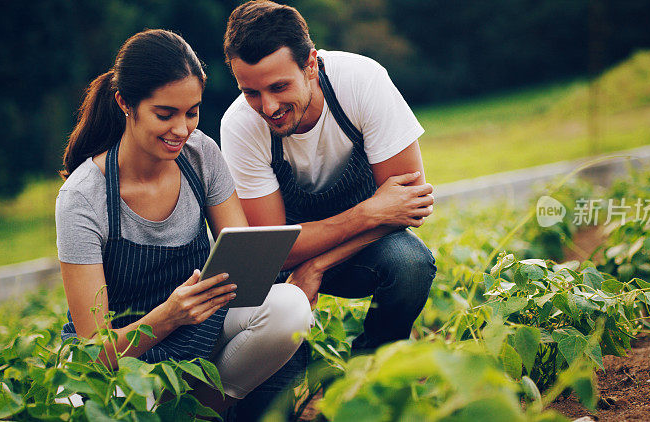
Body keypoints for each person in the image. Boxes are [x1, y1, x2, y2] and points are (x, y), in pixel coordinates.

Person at [55, 29, 312, 414]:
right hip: (127, 354)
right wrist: (167, 316)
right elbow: (94, 351)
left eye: (191, 112)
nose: (182, 130)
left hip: (200, 329)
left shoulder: (200, 155)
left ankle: (204, 410)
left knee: (289, 306)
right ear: (125, 103)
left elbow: (241, 257)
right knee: (76, 406)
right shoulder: (82, 199)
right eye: (165, 114)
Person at [220, 1, 437, 352]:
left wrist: (318, 264)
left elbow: (410, 204)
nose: (268, 107)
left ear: (310, 65)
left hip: (362, 244)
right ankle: (282, 387)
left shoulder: (362, 81)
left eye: (279, 87)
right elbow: (269, 251)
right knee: (250, 292)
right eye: (251, 93)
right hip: (295, 252)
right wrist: (370, 211)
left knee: (410, 265)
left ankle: (368, 374)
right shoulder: (240, 126)